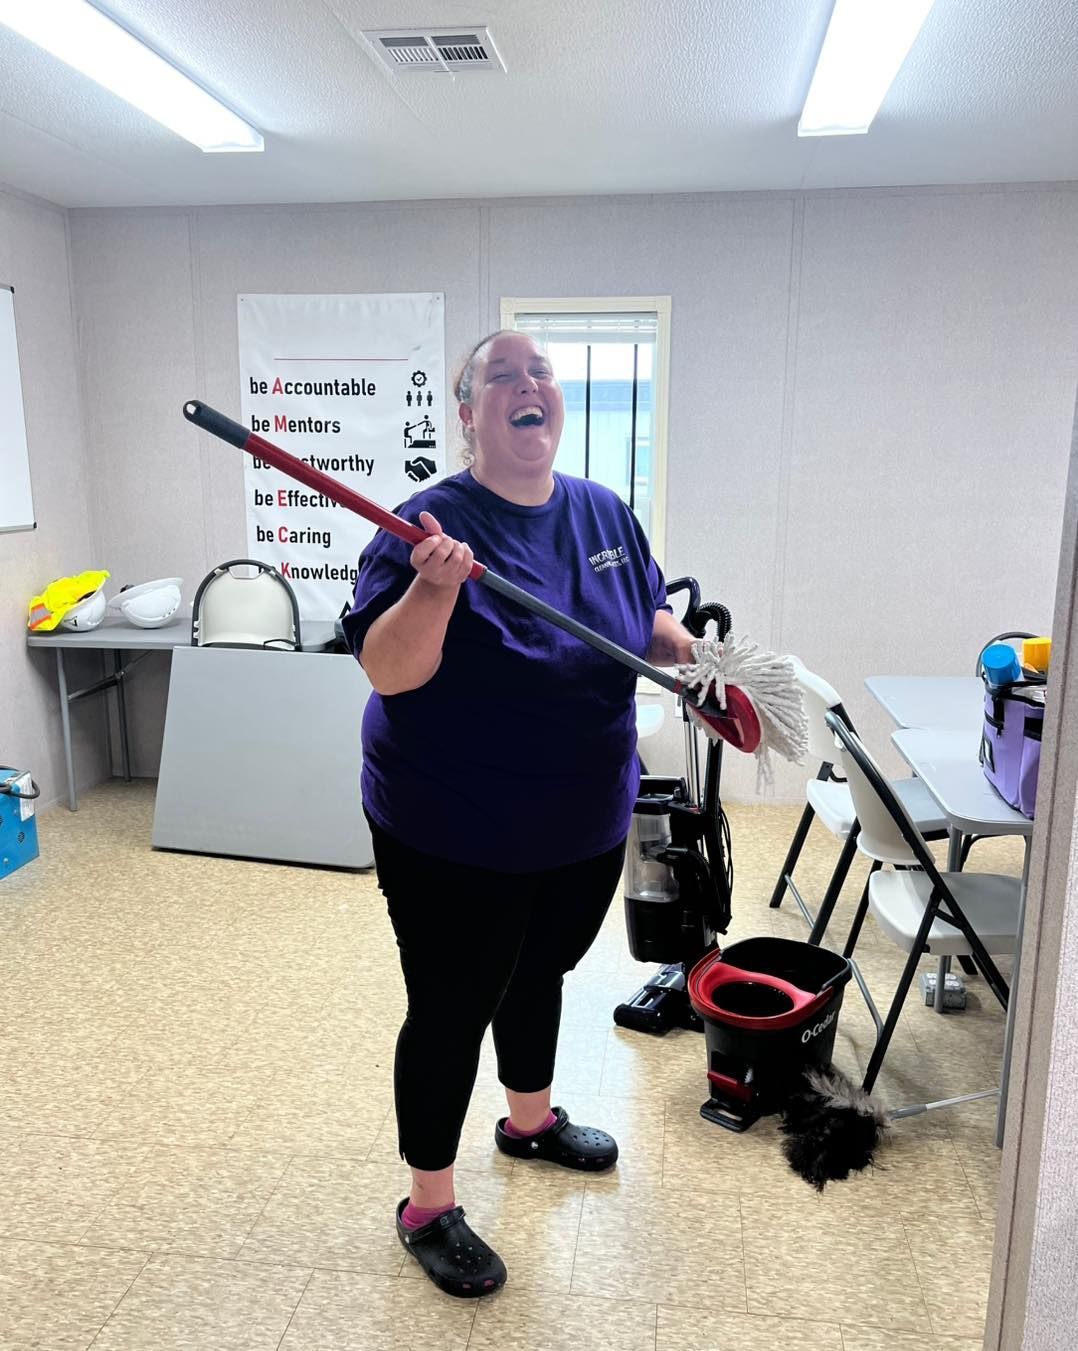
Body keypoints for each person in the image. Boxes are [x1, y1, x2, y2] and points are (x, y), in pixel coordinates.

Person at [342, 329, 697, 1299]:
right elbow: (387, 668)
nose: (528, 384)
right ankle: (427, 1206)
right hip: (452, 826)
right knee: (455, 1004)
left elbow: (646, 621)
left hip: (583, 818)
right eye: (501, 374)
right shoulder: (424, 523)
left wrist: (695, 662)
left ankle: (529, 1122)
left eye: (541, 372)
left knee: (540, 968)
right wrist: (432, 587)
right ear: (469, 415)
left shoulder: (603, 511)